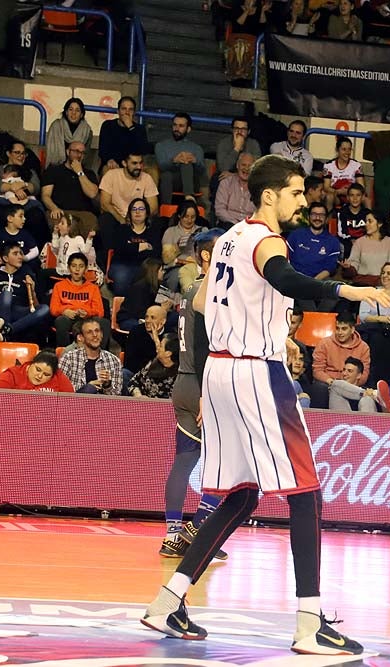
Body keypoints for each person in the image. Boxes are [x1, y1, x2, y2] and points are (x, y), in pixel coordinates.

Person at [141, 154, 390, 653]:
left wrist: (266, 329)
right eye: (298, 192)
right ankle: (309, 623)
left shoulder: (228, 238)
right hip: (257, 372)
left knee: (242, 493)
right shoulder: (269, 239)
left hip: (221, 369)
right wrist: (348, 289)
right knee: (306, 493)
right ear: (271, 195)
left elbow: (196, 302)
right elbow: (287, 279)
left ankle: (168, 601)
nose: (305, 200)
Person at [158, 228, 229, 561]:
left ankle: (173, 535)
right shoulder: (211, 290)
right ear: (205, 255)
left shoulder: (188, 289)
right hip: (203, 384)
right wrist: (206, 392)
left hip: (183, 383)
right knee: (227, 465)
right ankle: (197, 531)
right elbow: (202, 345)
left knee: (185, 461)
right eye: (222, 249)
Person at [0, 243, 51, 343]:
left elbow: (34, 307)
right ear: (6, 258)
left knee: (44, 308)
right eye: (15, 254)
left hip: (17, 312)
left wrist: (32, 290)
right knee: (6, 294)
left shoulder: (27, 275)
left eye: (21, 253)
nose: (20, 256)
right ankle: (5, 329)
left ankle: (7, 330)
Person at [49, 252, 108, 348]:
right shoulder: (59, 286)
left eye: (81, 266)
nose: (77, 269)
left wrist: (87, 313)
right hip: (68, 318)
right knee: (61, 320)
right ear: (69, 268)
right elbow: (53, 308)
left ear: (85, 269)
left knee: (104, 322)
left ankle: (100, 355)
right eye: (74, 266)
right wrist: (64, 311)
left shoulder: (93, 288)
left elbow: (100, 311)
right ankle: (64, 354)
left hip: (87, 318)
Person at [156, 113, 209, 208]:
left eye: (181, 126)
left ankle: (189, 198)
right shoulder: (161, 145)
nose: (177, 128)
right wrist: (174, 160)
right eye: (175, 125)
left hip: (192, 182)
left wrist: (194, 161)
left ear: (188, 129)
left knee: (186, 164)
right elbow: (161, 166)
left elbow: (202, 170)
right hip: (170, 181)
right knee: (166, 175)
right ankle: (165, 208)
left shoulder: (196, 148)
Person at [59, 318, 124, 395]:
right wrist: (87, 387)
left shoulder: (114, 361)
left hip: (102, 405)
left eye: (97, 331)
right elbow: (60, 389)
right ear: (81, 338)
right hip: (74, 404)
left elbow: (117, 396)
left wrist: (107, 385)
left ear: (102, 334)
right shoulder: (68, 358)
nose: (95, 335)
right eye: (89, 332)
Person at [342, 211, 390, 286]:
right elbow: (354, 265)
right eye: (366, 221)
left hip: (381, 284)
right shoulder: (359, 242)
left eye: (370, 221)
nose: (366, 224)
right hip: (361, 283)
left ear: (380, 224)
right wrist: (348, 267)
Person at [0, 351, 75, 392]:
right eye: (38, 369)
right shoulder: (12, 375)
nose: (39, 376)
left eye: (46, 374)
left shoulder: (59, 377)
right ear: (31, 364)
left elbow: (70, 403)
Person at [128, 334, 180, 399]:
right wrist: (138, 395)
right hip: (140, 404)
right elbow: (133, 381)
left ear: (168, 353)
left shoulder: (178, 376)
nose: (157, 347)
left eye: (161, 346)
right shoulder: (153, 363)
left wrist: (151, 403)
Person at [45, 98, 93, 167]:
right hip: (56, 167)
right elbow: (50, 154)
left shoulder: (87, 131)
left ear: (82, 114)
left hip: (77, 168)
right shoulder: (56, 127)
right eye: (70, 109)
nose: (73, 113)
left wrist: (79, 170)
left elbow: (86, 158)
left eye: (77, 110)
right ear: (66, 112)